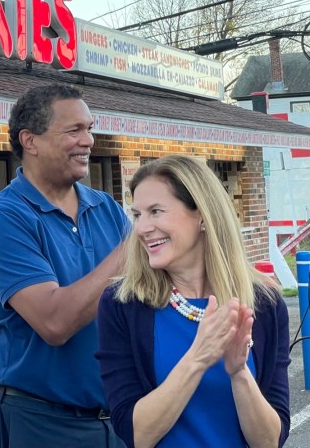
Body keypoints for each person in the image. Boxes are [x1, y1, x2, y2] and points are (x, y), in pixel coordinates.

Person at [0, 83, 129, 448]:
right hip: (40, 422)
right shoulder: (4, 218)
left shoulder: (106, 208)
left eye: (89, 128)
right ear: (30, 141)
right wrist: (133, 248)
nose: (88, 140)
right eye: (74, 130)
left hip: (117, 417)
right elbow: (55, 323)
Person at [97, 155, 291, 448]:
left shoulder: (264, 304)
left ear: (201, 214)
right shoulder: (122, 304)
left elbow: (269, 441)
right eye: (137, 215)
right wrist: (198, 358)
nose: (142, 228)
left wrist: (239, 372)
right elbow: (137, 435)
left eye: (156, 211)